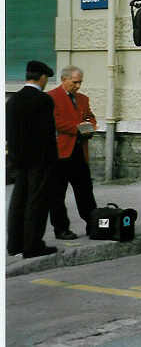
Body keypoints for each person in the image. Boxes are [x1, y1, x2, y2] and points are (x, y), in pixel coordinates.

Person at [6, 60, 59, 258]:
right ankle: (32, 245)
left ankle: (14, 244)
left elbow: (10, 134)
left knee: (18, 201)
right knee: (36, 202)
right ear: (43, 77)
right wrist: (52, 161)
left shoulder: (13, 100)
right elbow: (47, 134)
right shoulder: (43, 100)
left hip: (18, 160)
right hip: (40, 161)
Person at [48, 65, 98, 240]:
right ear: (64, 79)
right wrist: (80, 129)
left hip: (78, 151)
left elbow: (90, 117)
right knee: (57, 194)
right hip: (61, 152)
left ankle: (93, 224)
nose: (78, 86)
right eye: (75, 82)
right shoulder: (52, 97)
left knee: (85, 190)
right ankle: (61, 228)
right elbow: (56, 122)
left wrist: (90, 125)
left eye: (80, 82)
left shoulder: (82, 99)